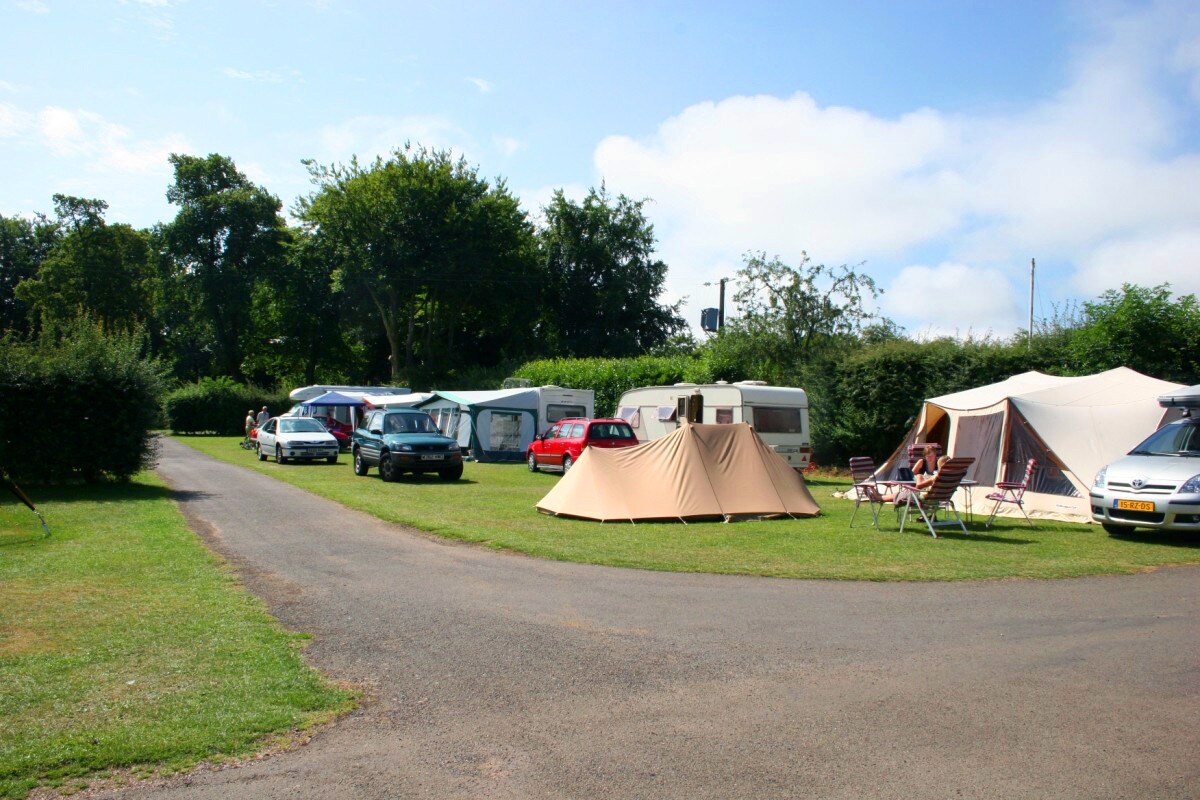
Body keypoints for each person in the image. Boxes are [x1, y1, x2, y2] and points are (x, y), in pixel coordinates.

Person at [881, 454, 948, 505]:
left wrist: (919, 476)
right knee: (904, 493)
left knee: (903, 494)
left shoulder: (937, 476)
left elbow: (919, 486)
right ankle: (880, 496)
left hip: (924, 498)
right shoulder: (949, 477)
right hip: (937, 499)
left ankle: (879, 497)